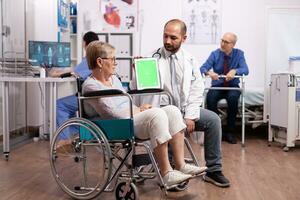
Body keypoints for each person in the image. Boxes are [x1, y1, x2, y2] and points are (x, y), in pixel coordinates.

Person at [81, 41, 207, 187]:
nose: (116, 63)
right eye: (113, 59)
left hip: (128, 119)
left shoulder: (114, 79)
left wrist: (138, 108)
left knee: (172, 110)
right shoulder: (91, 86)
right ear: (100, 62)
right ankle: (166, 173)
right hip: (115, 126)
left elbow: (126, 103)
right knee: (157, 114)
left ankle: (181, 165)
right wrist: (139, 110)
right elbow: (112, 113)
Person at [132, 19, 230, 188]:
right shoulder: (150, 58)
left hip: (185, 110)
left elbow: (196, 88)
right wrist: (138, 72)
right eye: (165, 36)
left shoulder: (190, 60)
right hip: (161, 111)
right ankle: (171, 167)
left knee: (213, 120)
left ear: (184, 38)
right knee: (167, 119)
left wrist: (191, 116)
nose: (168, 41)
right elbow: (138, 92)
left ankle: (213, 170)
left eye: (173, 37)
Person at [200, 32, 249, 144]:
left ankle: (230, 132)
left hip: (232, 86)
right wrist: (209, 72)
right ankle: (216, 129)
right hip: (217, 86)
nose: (222, 44)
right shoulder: (215, 54)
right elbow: (202, 68)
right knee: (210, 99)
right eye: (222, 40)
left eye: (226, 42)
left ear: (233, 44)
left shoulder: (239, 54)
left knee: (233, 99)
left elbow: (246, 70)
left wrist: (235, 70)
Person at [52, 31, 99, 141]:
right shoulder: (97, 57)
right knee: (68, 108)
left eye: (84, 45)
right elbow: (76, 71)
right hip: (93, 96)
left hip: (87, 98)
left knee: (59, 105)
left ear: (86, 45)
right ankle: (75, 134)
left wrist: (54, 73)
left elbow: (74, 73)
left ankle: (65, 140)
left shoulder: (90, 59)